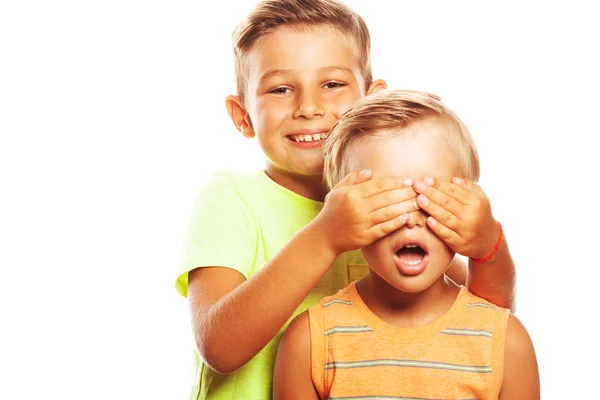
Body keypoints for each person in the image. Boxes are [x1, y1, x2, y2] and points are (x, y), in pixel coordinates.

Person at [176, 1, 516, 398]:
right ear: (242, 115)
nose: (308, 108)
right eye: (281, 89)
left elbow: (482, 324)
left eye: (332, 84)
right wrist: (325, 237)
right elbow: (220, 347)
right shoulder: (230, 196)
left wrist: (488, 246)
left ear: (372, 100)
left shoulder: (399, 199)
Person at [273, 89, 539, 399]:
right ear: (343, 211)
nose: (411, 219)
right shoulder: (308, 342)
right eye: (387, 199)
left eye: (431, 197)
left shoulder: (508, 343)